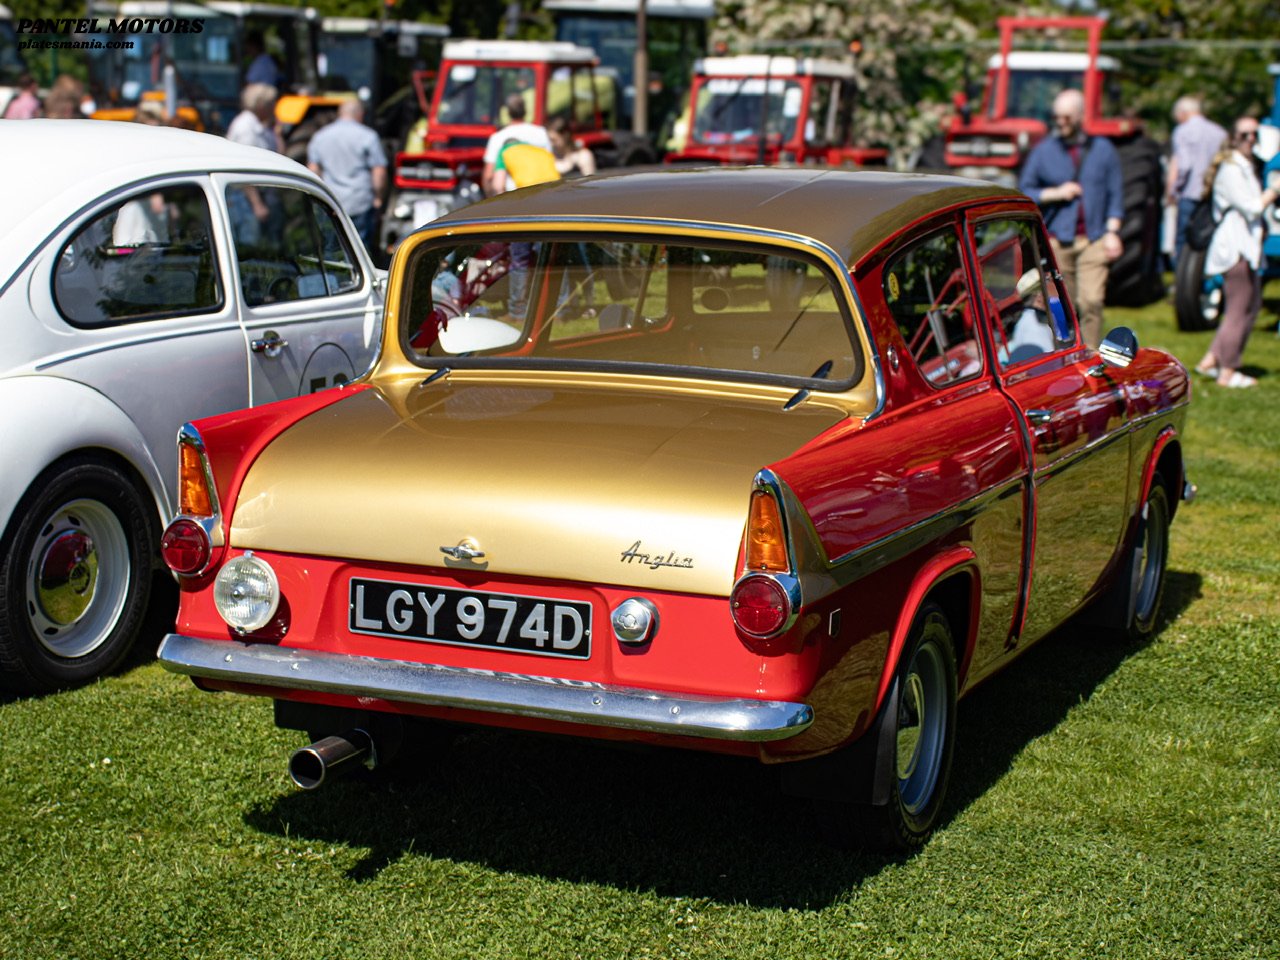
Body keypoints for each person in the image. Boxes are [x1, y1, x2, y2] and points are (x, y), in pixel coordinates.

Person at [1019, 88, 1124, 349]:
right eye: (1057, 117)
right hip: (1058, 241)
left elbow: (1116, 195)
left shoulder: (1103, 150)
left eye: (1066, 117)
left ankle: (1090, 354)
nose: (1060, 122)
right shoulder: (1043, 151)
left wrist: (1113, 231)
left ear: (1079, 116)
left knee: (1091, 302)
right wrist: (1056, 193)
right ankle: (1064, 353)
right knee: (1062, 306)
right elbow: (1024, 189)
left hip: (1093, 239)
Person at [1193, 117, 1280, 389]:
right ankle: (1228, 371)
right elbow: (1251, 207)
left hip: (1246, 246)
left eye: (1255, 134)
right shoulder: (1231, 169)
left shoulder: (1244, 166)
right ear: (1233, 137)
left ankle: (1210, 360)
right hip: (1235, 247)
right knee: (1238, 311)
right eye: (1244, 134)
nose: (1250, 139)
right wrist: (1275, 190)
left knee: (1249, 307)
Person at [307, 100, 388, 253]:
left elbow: (313, 169)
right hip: (360, 201)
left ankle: (334, 276)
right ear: (360, 114)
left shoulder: (320, 136)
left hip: (331, 201)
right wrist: (378, 198)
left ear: (340, 113)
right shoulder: (368, 136)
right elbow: (379, 171)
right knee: (360, 250)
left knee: (331, 248)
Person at [1165, 95, 1227, 265]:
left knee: (1183, 241)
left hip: (1189, 194)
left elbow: (1183, 165)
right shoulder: (1219, 132)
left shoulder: (1182, 131)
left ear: (1183, 113)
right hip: (1213, 196)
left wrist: (1173, 189)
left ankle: (1183, 281)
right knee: (1209, 238)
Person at [482, 94, 552, 196]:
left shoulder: (498, 138)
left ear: (507, 112)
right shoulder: (541, 132)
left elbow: (490, 177)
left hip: (516, 198)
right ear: (525, 110)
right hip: (546, 191)